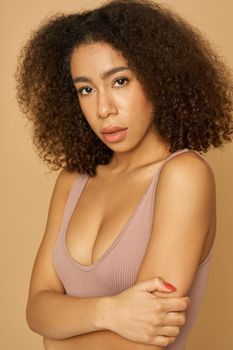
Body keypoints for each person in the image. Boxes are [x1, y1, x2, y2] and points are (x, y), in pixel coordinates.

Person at [15, 0, 233, 349]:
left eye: (119, 81)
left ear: (159, 77)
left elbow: (150, 338)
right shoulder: (73, 180)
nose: (103, 108)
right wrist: (110, 311)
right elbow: (36, 309)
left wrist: (56, 342)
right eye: (86, 89)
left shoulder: (183, 175)